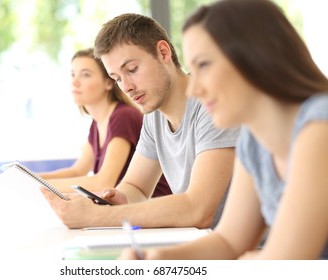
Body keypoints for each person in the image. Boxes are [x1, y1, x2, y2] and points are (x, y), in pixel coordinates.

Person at [120, 0, 328, 260]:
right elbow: (229, 242)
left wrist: (254, 260)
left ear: (255, 56)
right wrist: (160, 258)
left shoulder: (320, 125)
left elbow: (284, 263)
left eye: (204, 65)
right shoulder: (254, 141)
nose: (194, 89)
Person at [41, 13, 239, 229]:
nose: (126, 87)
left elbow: (198, 210)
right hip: (204, 242)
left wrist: (94, 217)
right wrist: (115, 199)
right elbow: (137, 187)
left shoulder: (211, 104)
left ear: (163, 52)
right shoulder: (154, 116)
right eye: (117, 78)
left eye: (132, 70)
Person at [40, 48, 172, 197]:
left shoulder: (123, 116)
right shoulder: (97, 124)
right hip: (126, 211)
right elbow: (77, 170)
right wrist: (34, 178)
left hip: (150, 211)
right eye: (73, 74)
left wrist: (39, 186)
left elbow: (104, 182)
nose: (75, 82)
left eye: (85, 75)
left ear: (109, 83)